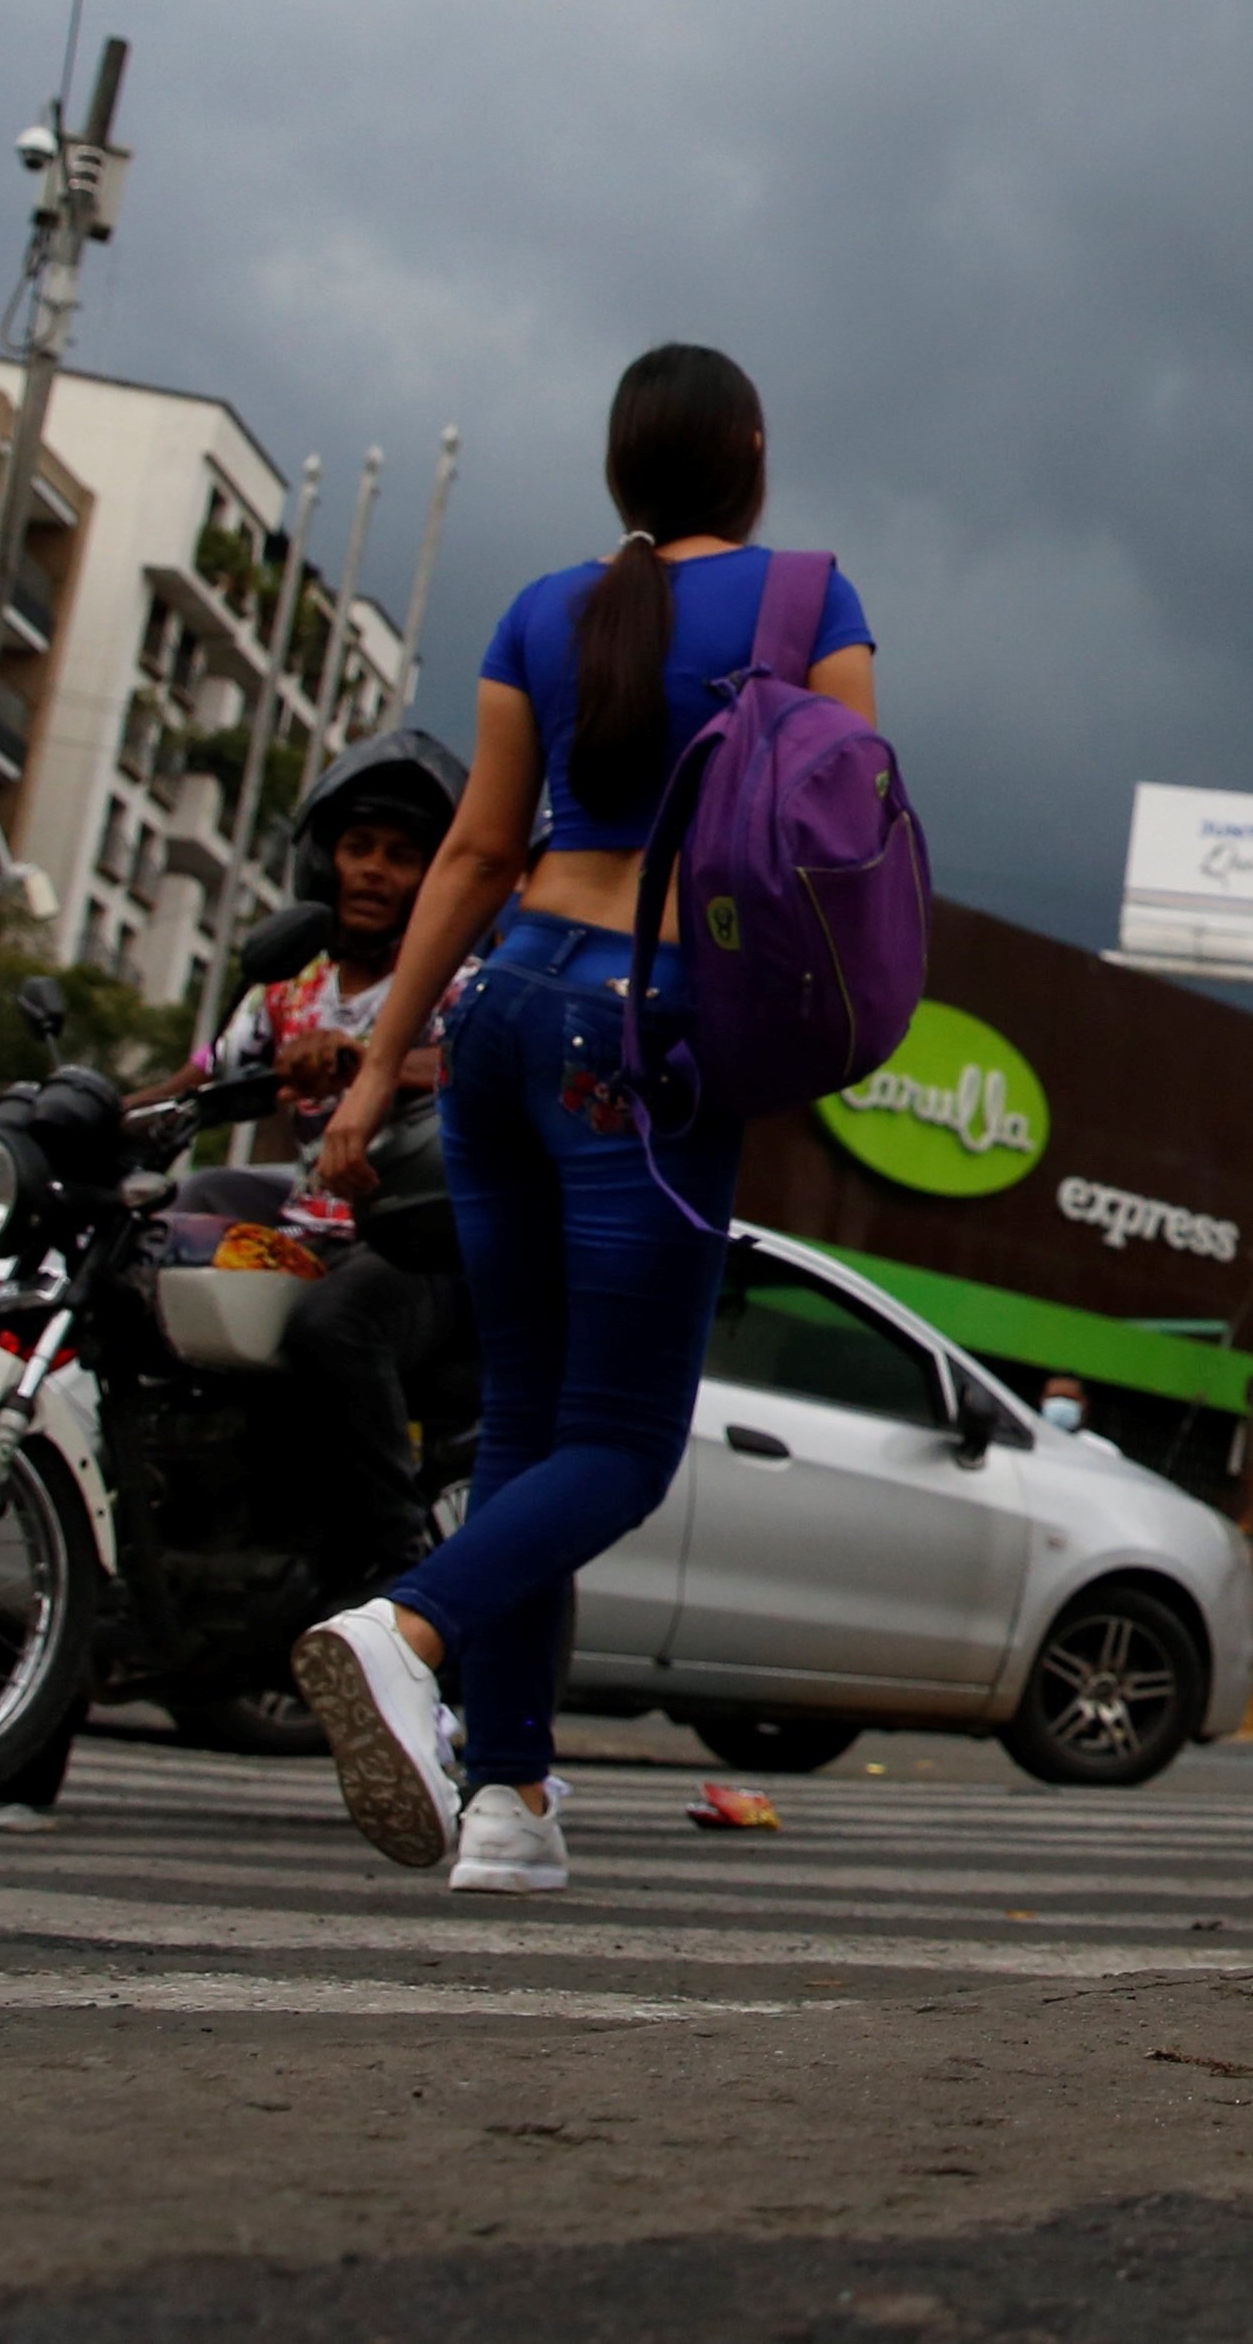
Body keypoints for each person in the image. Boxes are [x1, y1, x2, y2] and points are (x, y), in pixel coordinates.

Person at [296, 345, 875, 1897]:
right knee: (620, 1445)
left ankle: (511, 1798)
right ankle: (404, 1627)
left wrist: (372, 1062)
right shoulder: (809, 600)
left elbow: (475, 854)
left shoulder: (540, 611)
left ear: (622, 467)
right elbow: (840, 843)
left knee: (530, 1435)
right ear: (752, 450)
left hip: (498, 1020)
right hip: (641, 1039)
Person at [162, 729, 473, 1596]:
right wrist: (72, 1109)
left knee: (333, 1326)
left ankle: (398, 1564)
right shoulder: (287, 995)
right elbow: (197, 1079)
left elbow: (480, 1065)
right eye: (358, 847)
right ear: (320, 860)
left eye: (404, 856)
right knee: (167, 1242)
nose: (374, 870)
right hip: (307, 1232)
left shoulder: (457, 982)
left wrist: (370, 1065)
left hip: (415, 1245)